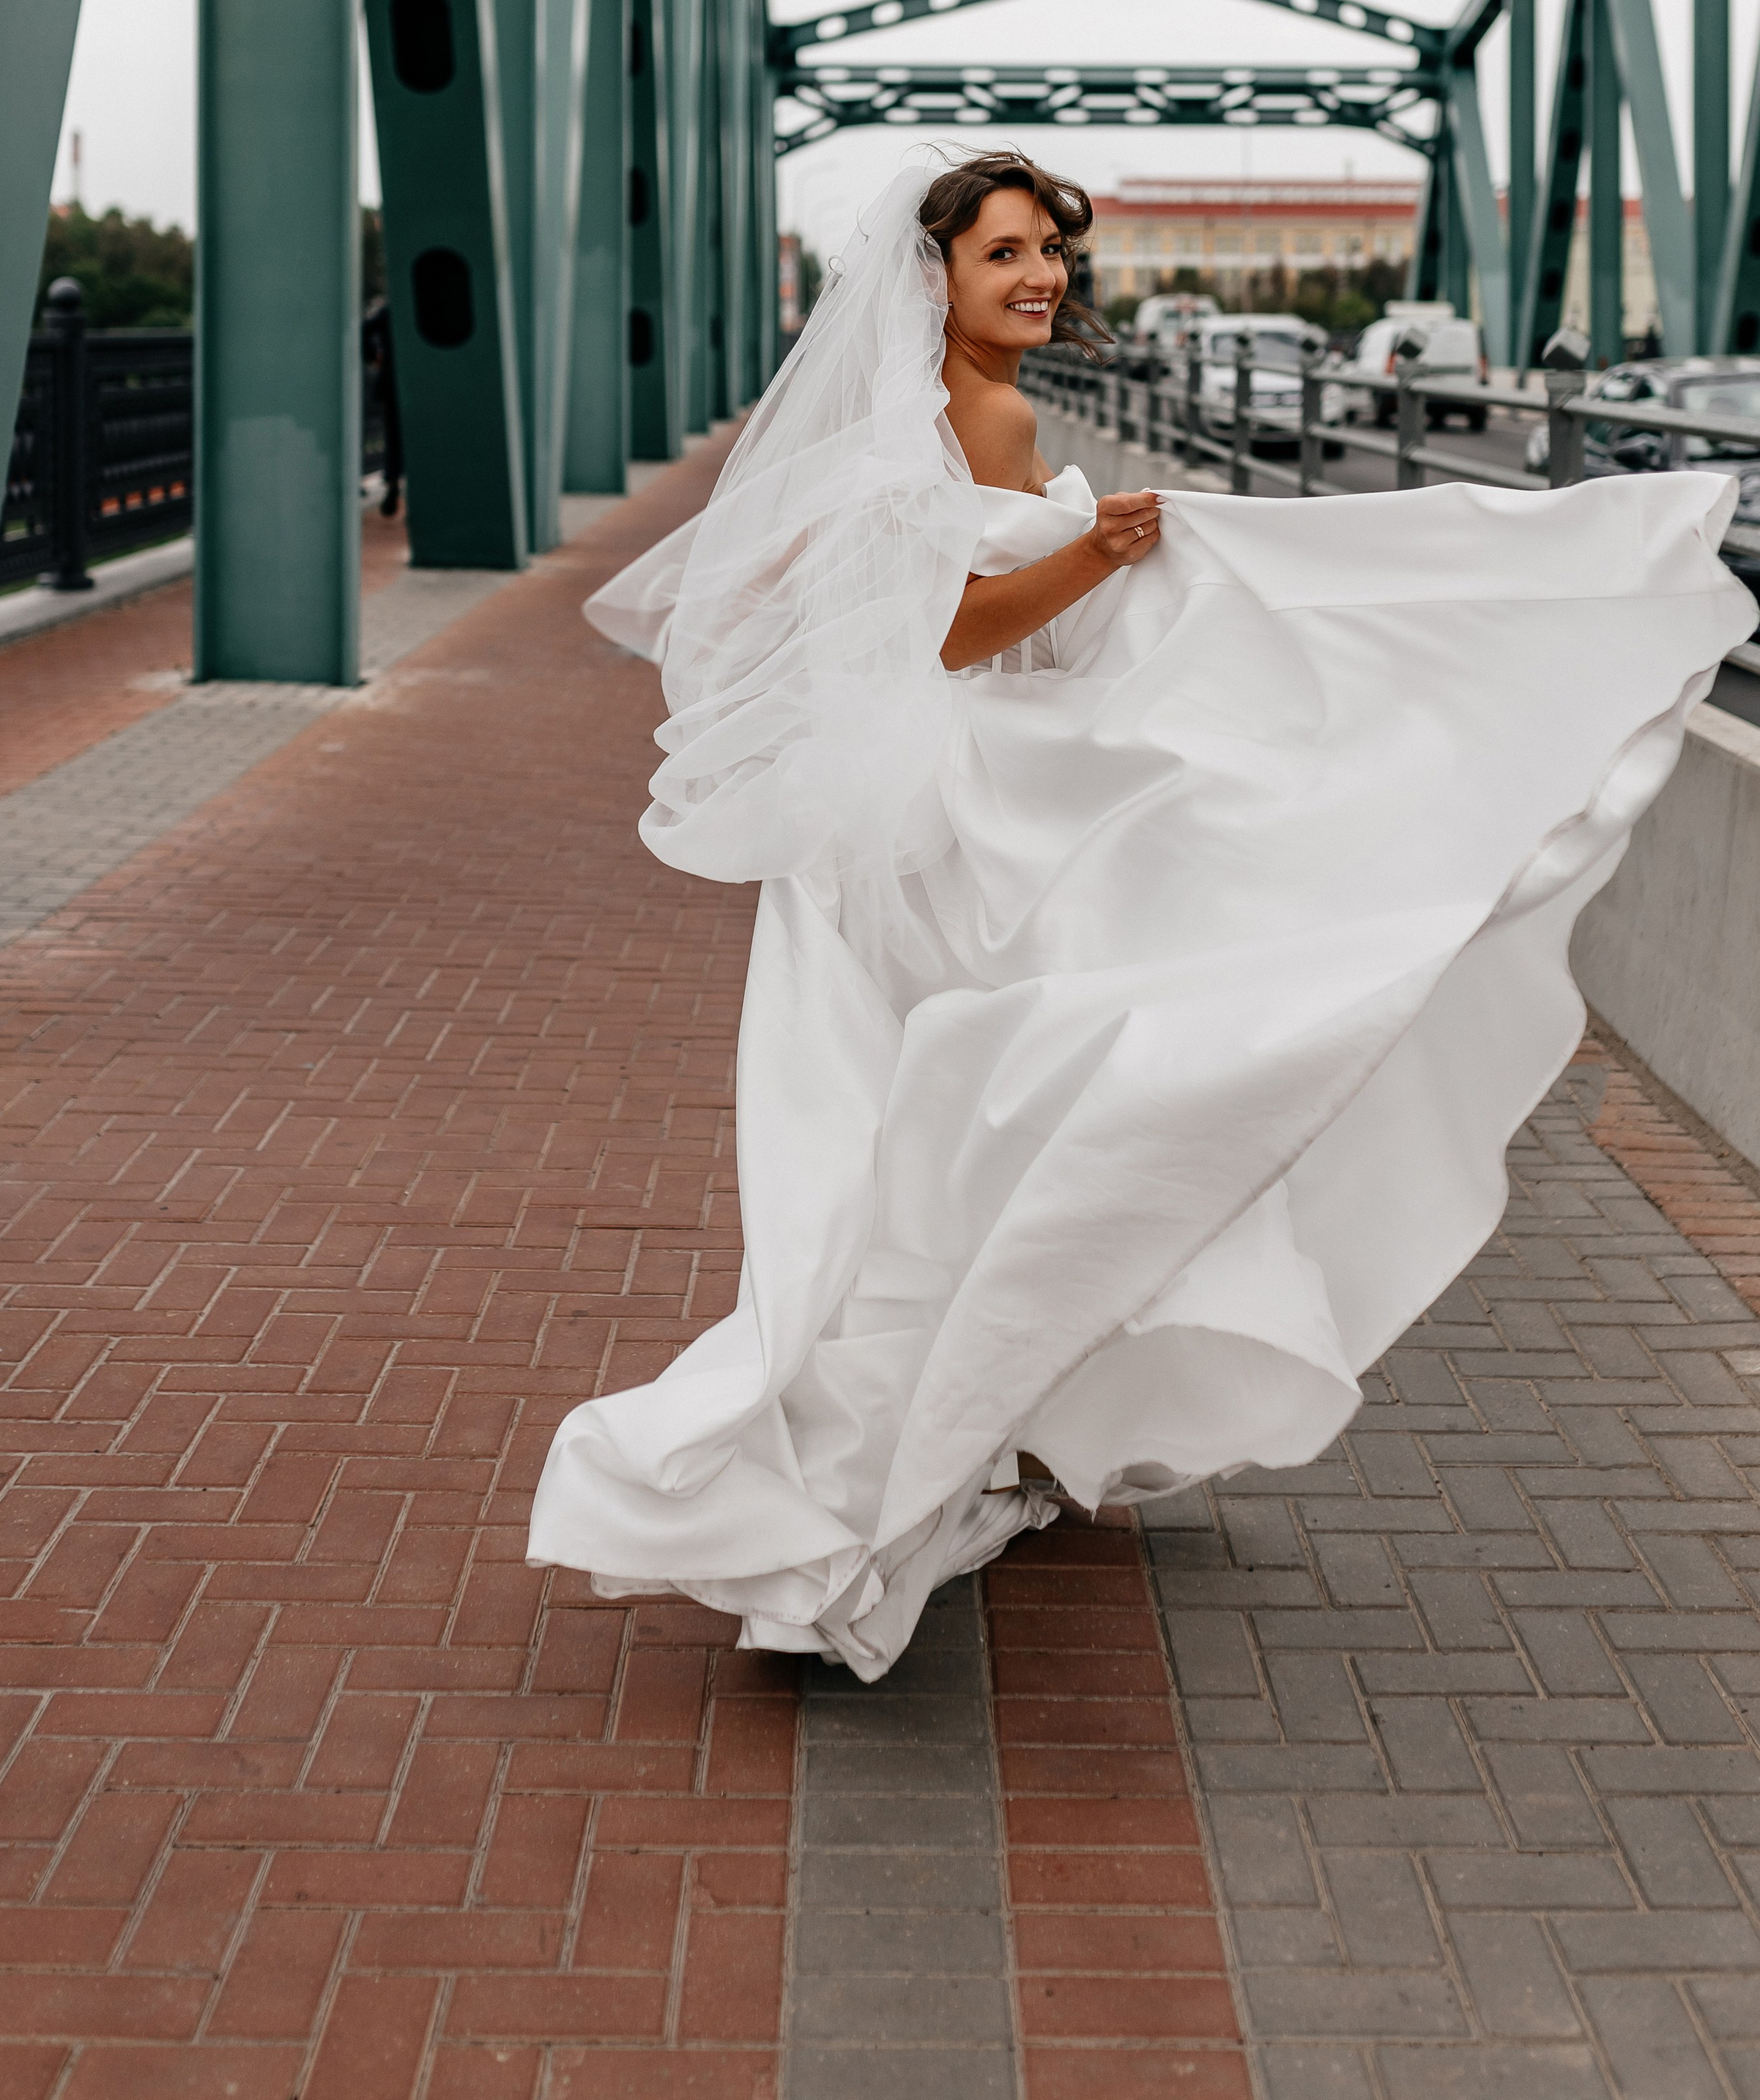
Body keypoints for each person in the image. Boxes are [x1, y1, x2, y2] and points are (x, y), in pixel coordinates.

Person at [528, 147, 1751, 1681]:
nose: (1038, 276)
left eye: (1048, 250)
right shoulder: (981, 414)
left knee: (921, 1138)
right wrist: (1098, 550)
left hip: (902, 830)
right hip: (962, 817)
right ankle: (927, 1449)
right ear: (935, 281)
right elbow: (949, 632)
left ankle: (929, 1442)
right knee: (1053, 1103)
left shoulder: (913, 417)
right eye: (1003, 255)